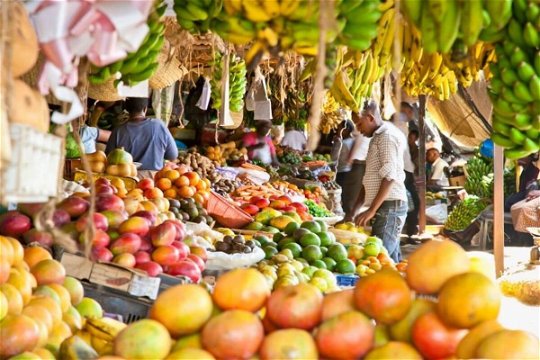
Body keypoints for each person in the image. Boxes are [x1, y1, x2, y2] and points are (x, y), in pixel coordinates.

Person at [345, 101, 408, 263]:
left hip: (390, 207)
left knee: (378, 259)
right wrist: (354, 211)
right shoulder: (377, 137)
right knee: (389, 260)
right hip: (386, 207)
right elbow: (370, 179)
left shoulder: (387, 137)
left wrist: (371, 210)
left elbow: (390, 176)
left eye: (359, 124)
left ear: (370, 118)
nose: (358, 129)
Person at [106, 97, 178, 177]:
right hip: (155, 181)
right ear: (145, 109)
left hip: (127, 180)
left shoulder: (118, 131)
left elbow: (108, 159)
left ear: (127, 109)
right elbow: (172, 155)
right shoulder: (159, 125)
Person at [390, 114, 420, 241]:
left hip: (407, 174)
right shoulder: (394, 134)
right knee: (402, 204)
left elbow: (417, 164)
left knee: (412, 204)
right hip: (401, 173)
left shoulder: (414, 149)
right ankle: (403, 233)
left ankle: (409, 233)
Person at [331, 120, 356, 214]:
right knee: (347, 198)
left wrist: (336, 142)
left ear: (346, 129)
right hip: (350, 172)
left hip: (342, 173)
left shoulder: (343, 143)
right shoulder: (354, 141)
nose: (337, 130)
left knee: (341, 198)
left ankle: (343, 217)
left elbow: (333, 158)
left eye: (339, 128)